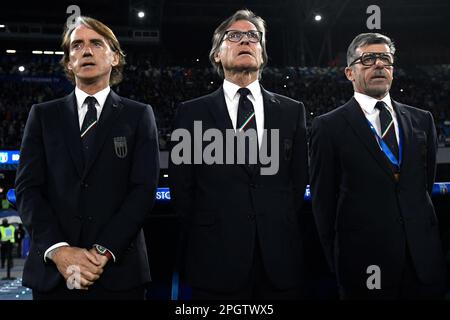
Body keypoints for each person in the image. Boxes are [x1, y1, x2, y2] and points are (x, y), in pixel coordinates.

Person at [15, 16, 160, 300]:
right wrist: (59, 250)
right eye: (77, 45)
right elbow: (27, 189)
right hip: (53, 274)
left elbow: (143, 190)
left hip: (118, 273)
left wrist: (102, 251)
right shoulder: (43, 116)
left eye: (96, 43)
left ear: (115, 58)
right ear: (69, 62)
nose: (86, 50)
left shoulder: (139, 115)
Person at [169, 9, 308, 299]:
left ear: (262, 54)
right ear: (217, 54)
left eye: (253, 37)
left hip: (279, 260)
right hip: (214, 260)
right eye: (234, 36)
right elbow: (183, 189)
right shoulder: (191, 112)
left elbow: (297, 182)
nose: (245, 40)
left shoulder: (292, 111)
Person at [309, 32, 447, 299]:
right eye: (369, 59)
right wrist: (339, 263)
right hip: (362, 267)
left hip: (424, 265)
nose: (379, 64)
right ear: (349, 72)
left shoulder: (422, 120)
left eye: (385, 58)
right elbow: (323, 203)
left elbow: (422, 187)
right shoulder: (328, 127)